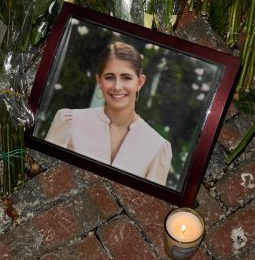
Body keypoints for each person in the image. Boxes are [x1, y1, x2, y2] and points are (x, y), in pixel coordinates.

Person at [45, 41, 172, 185]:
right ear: (99, 80)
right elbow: (45, 180)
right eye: (109, 77)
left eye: (126, 77)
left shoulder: (157, 147)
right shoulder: (69, 122)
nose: (117, 86)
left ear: (140, 82)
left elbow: (150, 204)